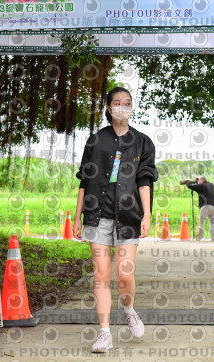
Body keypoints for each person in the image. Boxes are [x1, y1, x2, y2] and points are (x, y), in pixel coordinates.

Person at [73, 86, 158, 353]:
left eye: (128, 102)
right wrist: (77, 216)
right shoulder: (96, 140)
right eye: (118, 103)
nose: (123, 106)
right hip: (96, 215)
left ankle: (129, 309)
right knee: (100, 274)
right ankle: (105, 333)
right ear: (109, 108)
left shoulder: (143, 142)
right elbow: (84, 181)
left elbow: (144, 181)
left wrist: (147, 214)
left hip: (129, 215)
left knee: (125, 273)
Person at [183, 176, 214, 241]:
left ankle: (199, 238)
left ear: (201, 180)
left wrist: (187, 181)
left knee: (200, 222)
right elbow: (202, 186)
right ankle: (213, 238)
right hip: (213, 206)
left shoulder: (201, 186)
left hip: (205, 206)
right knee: (213, 223)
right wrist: (198, 180)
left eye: (199, 181)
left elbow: (190, 186)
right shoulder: (211, 185)